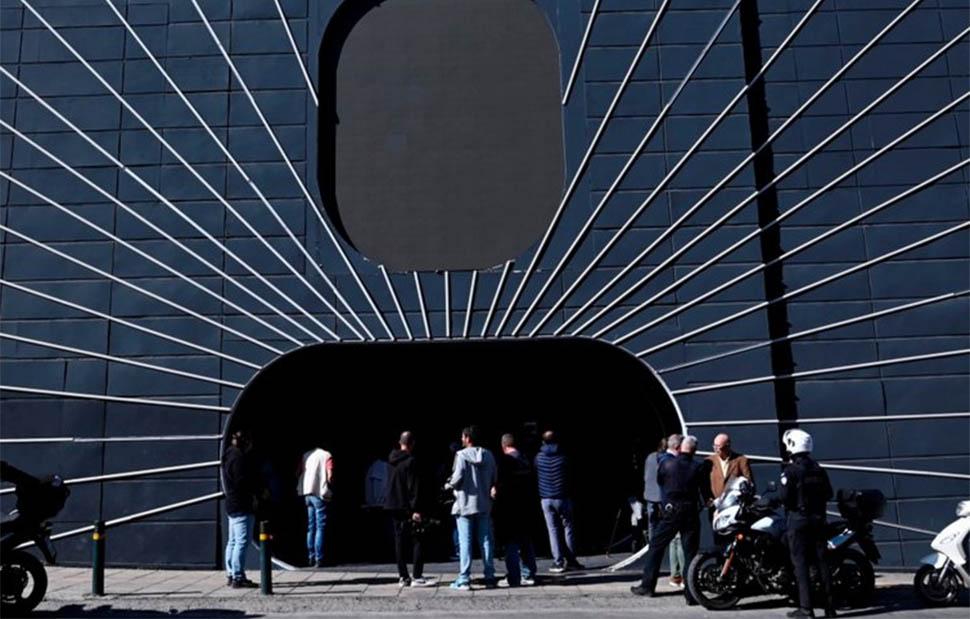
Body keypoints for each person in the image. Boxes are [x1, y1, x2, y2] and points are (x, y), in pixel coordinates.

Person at [631, 435, 711, 604]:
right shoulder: (698, 467)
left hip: (671, 511)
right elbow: (705, 493)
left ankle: (647, 586)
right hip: (690, 512)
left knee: (656, 546)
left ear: (680, 448)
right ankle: (691, 594)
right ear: (694, 450)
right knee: (690, 552)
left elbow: (661, 482)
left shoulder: (667, 464)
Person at [780, 429, 836, 619]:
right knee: (822, 563)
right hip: (819, 520)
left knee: (801, 565)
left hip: (799, 521)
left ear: (792, 446)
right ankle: (830, 609)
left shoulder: (791, 471)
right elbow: (829, 493)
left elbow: (784, 497)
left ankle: (806, 609)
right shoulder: (819, 469)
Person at [445, 426, 498, 590]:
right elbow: (494, 477)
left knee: (465, 542)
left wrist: (448, 484)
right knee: (486, 541)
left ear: (468, 438)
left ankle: (464, 578)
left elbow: (458, 477)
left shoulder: (461, 455)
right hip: (484, 503)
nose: (461, 439)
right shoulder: (489, 455)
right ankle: (489, 576)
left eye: (463, 437)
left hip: (465, 503)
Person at [384, 431, 436, 588]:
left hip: (393, 504)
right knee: (418, 538)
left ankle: (403, 576)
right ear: (412, 444)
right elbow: (413, 487)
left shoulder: (391, 460)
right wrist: (415, 509)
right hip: (407, 505)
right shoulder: (411, 461)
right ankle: (417, 575)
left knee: (399, 540)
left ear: (400, 442)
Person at [534, 431, 583, 573]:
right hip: (563, 497)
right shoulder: (563, 457)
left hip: (546, 498)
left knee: (553, 530)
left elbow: (535, 472)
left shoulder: (538, 457)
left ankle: (558, 561)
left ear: (543, 442)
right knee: (568, 528)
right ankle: (571, 561)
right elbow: (571, 475)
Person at [495, 433, 538, 587]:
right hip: (527, 505)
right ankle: (529, 574)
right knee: (526, 541)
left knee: (511, 543)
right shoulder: (526, 460)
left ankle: (514, 576)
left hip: (510, 507)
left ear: (503, 446)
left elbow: (501, 484)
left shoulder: (505, 461)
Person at [223, 430, 257, 588]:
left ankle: (231, 574)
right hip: (241, 503)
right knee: (242, 542)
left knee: (232, 541)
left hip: (231, 502)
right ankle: (238, 576)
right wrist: (255, 494)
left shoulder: (228, 455)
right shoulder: (239, 458)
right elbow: (242, 482)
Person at [707, 433, 753, 546]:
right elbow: (704, 484)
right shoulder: (709, 461)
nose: (716, 449)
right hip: (716, 507)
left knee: (735, 539)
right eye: (714, 446)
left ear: (727, 446)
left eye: (719, 447)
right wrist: (710, 502)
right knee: (718, 539)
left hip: (734, 507)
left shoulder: (741, 460)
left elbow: (749, 483)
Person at [298, 445, 333, 568]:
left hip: (307, 492)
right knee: (320, 527)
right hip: (319, 493)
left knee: (311, 526)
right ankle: (319, 558)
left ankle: (310, 556)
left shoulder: (306, 455)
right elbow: (330, 475)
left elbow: (299, 472)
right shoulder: (327, 455)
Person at [662, 433, 686, 589]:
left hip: (667, 505)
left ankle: (675, 575)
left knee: (673, 541)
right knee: (681, 540)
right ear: (678, 447)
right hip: (676, 506)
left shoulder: (661, 459)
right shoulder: (674, 463)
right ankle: (683, 575)